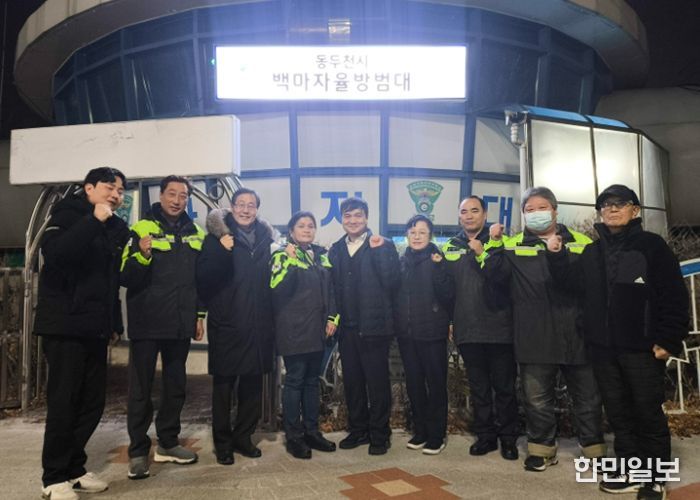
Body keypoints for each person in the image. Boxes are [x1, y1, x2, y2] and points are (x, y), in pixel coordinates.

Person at [547, 184, 689, 500]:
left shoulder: (652, 246)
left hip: (643, 348)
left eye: (620, 203)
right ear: (600, 213)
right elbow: (570, 284)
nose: (612, 209)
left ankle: (655, 479)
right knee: (619, 414)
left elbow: (674, 296)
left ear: (634, 210)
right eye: (606, 205)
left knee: (647, 412)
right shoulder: (592, 252)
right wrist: (555, 256)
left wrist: (668, 339)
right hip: (604, 349)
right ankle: (629, 471)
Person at [481, 186, 606, 472]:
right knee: (537, 400)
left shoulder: (582, 242)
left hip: (578, 333)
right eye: (529, 210)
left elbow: (594, 285)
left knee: (588, 397)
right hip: (534, 334)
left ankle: (594, 448)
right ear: (523, 214)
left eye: (542, 208)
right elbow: (493, 276)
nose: (536, 213)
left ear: (554, 210)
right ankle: (541, 449)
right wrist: (494, 243)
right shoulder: (511, 245)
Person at [34, 167, 129, 500]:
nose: (115, 194)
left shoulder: (114, 227)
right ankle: (53, 477)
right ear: (89, 188)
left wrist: (114, 323)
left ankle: (73, 468)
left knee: (92, 403)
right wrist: (92, 221)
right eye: (109, 187)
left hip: (95, 327)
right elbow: (56, 255)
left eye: (120, 190)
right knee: (64, 402)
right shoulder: (66, 214)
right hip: (65, 324)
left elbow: (110, 281)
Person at [120, 175, 206, 479]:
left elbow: (201, 280)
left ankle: (168, 443)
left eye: (183, 196)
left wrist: (199, 315)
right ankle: (138, 451)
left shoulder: (196, 232)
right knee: (141, 389)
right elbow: (125, 275)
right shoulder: (141, 228)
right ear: (161, 195)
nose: (177, 200)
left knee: (175, 386)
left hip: (180, 322)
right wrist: (143, 255)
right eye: (172, 194)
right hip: (147, 321)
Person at [196, 187, 276, 466]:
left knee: (252, 385)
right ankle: (223, 443)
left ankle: (243, 437)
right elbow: (203, 279)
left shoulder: (268, 240)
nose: (245, 210)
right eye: (240, 204)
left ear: (257, 210)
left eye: (251, 205)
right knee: (223, 387)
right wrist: (221, 251)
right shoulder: (216, 238)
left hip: (258, 324)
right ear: (231, 207)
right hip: (227, 322)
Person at [442, 196, 519, 460]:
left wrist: (482, 252)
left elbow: (502, 278)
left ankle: (508, 438)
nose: (469, 215)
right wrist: (450, 321)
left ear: (484, 215)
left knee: (505, 388)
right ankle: (486, 436)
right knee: (479, 388)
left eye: (474, 211)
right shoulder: (451, 246)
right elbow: (447, 291)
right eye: (464, 211)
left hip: (499, 327)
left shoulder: (499, 241)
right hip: (468, 328)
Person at [328, 197, 400, 455]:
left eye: (358, 215)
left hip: (374, 328)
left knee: (377, 383)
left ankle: (380, 434)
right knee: (353, 383)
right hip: (346, 329)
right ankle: (358, 430)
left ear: (367, 218)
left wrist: (379, 251)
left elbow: (392, 282)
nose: (353, 220)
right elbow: (331, 288)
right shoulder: (336, 249)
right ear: (342, 219)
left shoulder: (383, 244)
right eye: (348, 216)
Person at [269, 211, 338, 459]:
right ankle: (294, 437)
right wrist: (289, 261)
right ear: (291, 231)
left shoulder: (320, 256)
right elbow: (276, 290)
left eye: (311, 225)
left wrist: (332, 317)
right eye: (301, 226)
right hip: (294, 330)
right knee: (295, 381)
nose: (307, 229)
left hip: (318, 330)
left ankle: (312, 432)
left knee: (311, 382)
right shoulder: (281, 255)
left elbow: (331, 290)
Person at [394, 215, 452, 455]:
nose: (416, 237)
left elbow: (448, 294)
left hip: (432, 332)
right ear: (407, 235)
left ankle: (437, 435)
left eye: (422, 232)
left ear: (430, 236)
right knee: (414, 384)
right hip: (407, 334)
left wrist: (439, 268)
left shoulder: (438, 259)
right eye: (412, 232)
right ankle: (420, 431)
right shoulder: (401, 261)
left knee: (436, 385)